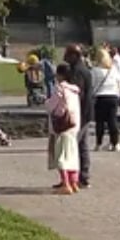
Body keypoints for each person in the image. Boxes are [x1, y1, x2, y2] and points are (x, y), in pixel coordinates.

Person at [64, 44, 98, 187]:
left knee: (73, 145)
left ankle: (73, 178)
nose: (65, 57)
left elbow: (76, 93)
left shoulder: (77, 71)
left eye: (68, 54)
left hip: (80, 112)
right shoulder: (83, 69)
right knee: (82, 144)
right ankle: (83, 176)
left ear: (74, 56)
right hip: (86, 111)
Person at [45, 63, 82, 194]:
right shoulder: (74, 90)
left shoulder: (60, 88)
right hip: (74, 125)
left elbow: (51, 106)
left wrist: (46, 102)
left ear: (60, 75)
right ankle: (74, 182)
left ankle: (66, 184)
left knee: (61, 155)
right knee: (72, 155)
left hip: (63, 126)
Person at [92, 47, 120, 151]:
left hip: (100, 97)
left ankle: (98, 143)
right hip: (113, 96)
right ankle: (116, 143)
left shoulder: (95, 70)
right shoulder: (113, 70)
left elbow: (92, 84)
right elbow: (119, 83)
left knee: (100, 122)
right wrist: (118, 94)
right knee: (112, 120)